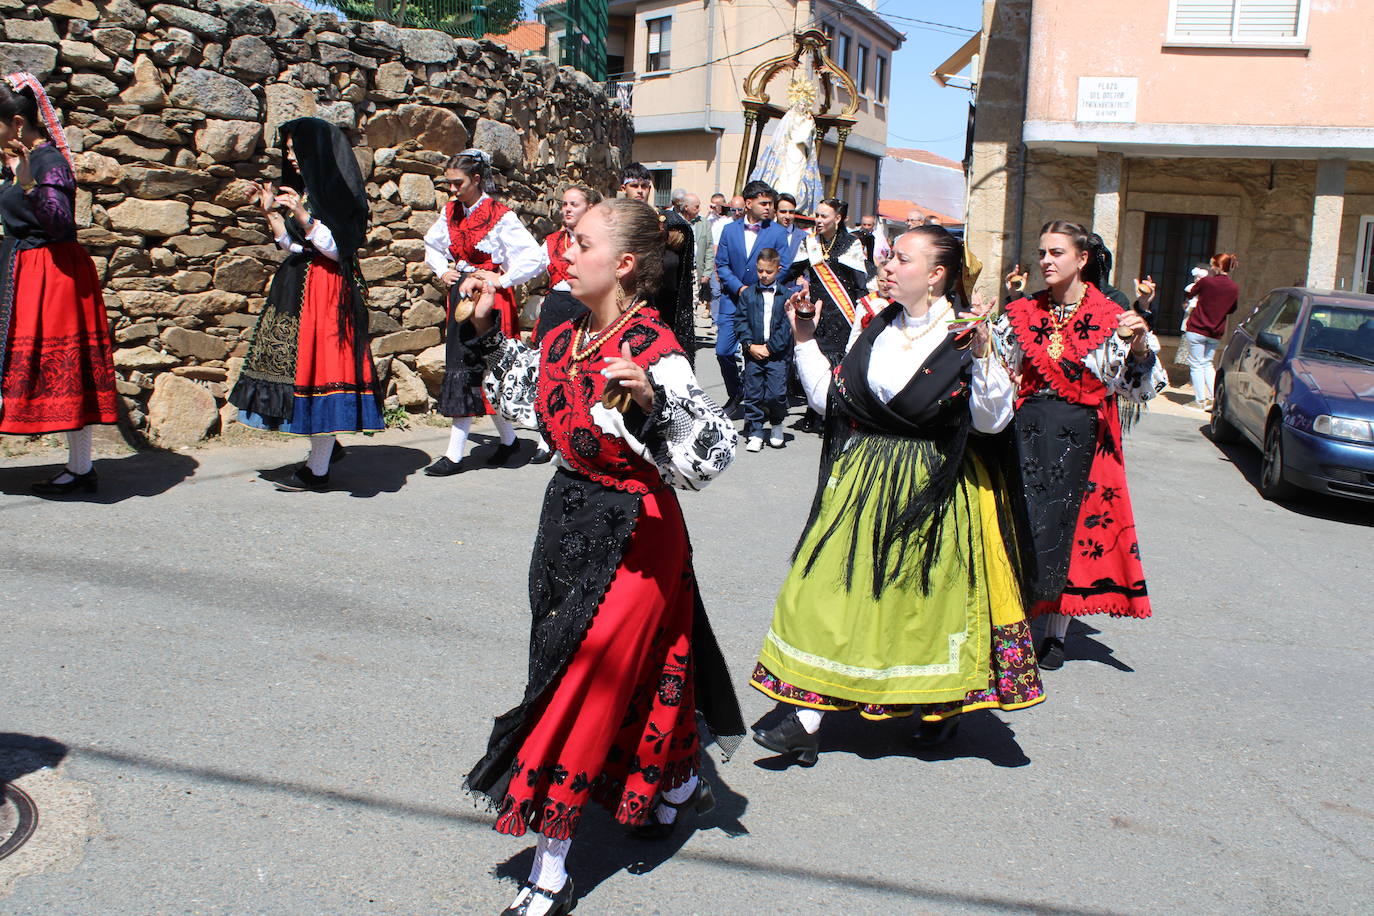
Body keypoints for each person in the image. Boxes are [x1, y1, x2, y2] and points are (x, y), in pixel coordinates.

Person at [463, 197, 744, 916]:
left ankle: (549, 871)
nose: (564, 251)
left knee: (580, 686)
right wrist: (482, 329)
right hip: (567, 522)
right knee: (629, 676)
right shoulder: (567, 334)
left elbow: (710, 459)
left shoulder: (654, 347)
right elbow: (523, 400)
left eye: (579, 242)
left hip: (637, 538)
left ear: (622, 264)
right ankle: (677, 786)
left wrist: (653, 402)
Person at [750, 226, 1044, 765]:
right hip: (862, 479)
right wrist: (806, 338)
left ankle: (939, 705)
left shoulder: (968, 333)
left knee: (922, 607)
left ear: (935, 276)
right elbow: (831, 402)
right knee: (821, 589)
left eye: (901, 259)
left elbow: (992, 419)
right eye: (887, 256)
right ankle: (806, 716)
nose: (886, 265)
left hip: (934, 484)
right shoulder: (875, 325)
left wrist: (984, 357)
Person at [993, 220, 1167, 670]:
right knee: (1021, 526)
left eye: (1056, 253)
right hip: (1027, 431)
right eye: (1042, 252)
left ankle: (1055, 634)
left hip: (1084, 437)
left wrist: (1141, 347)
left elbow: (1140, 389)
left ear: (1082, 259)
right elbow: (997, 367)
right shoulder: (1023, 311)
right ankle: (1010, 623)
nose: (1046, 262)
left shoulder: (1113, 316)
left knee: (1071, 533)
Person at [230, 117, 382, 491]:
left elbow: (336, 250)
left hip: (328, 292)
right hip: (300, 289)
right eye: (287, 151)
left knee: (322, 371)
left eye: (296, 150)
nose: (291, 158)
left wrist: (302, 214)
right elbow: (294, 246)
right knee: (301, 371)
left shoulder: (339, 194)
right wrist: (271, 213)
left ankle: (318, 470)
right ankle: (325, 452)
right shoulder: (307, 191)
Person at [0, 73, 118, 494]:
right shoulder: (19, 160)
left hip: (52, 275)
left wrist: (25, 177)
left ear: (17, 123)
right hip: (26, 271)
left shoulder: (47, 162)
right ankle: (82, 468)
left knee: (66, 370)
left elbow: (59, 220)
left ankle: (82, 467)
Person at [421, 149, 546, 477]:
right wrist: (442, 271)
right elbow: (431, 244)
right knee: (463, 368)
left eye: (457, 183)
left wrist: (501, 278)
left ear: (476, 180)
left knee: (489, 370)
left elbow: (534, 257)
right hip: (462, 295)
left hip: (491, 300)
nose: (452, 190)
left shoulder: (500, 215)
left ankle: (457, 453)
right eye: (448, 184)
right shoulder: (450, 211)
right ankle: (506, 441)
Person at [781, 197, 867, 432]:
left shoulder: (852, 244)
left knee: (839, 361)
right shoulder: (810, 243)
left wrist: (865, 312)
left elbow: (860, 283)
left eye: (824, 216)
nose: (818, 220)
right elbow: (790, 272)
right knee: (817, 358)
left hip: (844, 313)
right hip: (818, 312)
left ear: (837, 219)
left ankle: (836, 412)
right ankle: (813, 411)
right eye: (817, 215)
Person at [715, 180, 794, 418]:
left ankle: (761, 401)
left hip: (765, 303)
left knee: (760, 355)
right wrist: (740, 289)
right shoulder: (730, 230)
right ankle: (736, 391)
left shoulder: (778, 232)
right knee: (723, 351)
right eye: (764, 203)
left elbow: (785, 265)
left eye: (771, 203)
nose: (769, 207)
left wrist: (761, 287)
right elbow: (722, 264)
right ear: (748, 203)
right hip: (733, 301)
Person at [622, 163, 697, 362]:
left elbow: (680, 250)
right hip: (624, 299)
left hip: (661, 303)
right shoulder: (615, 218)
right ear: (623, 188)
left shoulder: (665, 219)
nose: (640, 191)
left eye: (644, 186)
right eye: (634, 186)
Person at [734, 247, 794, 452]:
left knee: (776, 394)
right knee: (753, 393)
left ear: (778, 269)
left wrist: (770, 347)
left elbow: (787, 326)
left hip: (776, 354)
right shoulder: (748, 294)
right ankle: (756, 431)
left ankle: (777, 424)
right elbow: (740, 321)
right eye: (760, 271)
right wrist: (750, 345)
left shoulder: (787, 295)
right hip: (753, 353)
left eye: (769, 271)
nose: (764, 275)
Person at [534, 184, 601, 344]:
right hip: (556, 307)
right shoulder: (553, 240)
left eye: (574, 204)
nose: (567, 209)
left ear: (589, 208)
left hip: (587, 308)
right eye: (564, 204)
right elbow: (530, 266)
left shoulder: (601, 240)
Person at [1184, 253, 1240, 411]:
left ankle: (1200, 400)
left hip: (1197, 328)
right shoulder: (1234, 287)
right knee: (1208, 364)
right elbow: (1232, 309)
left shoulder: (1207, 282)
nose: (1210, 268)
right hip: (1216, 332)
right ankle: (1215, 399)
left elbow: (1190, 293)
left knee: (1196, 364)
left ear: (1217, 266)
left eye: (1212, 265)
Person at [775, 192, 805, 262]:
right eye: (783, 212)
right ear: (775, 212)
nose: (787, 216)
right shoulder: (765, 232)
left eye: (791, 212)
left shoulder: (804, 238)